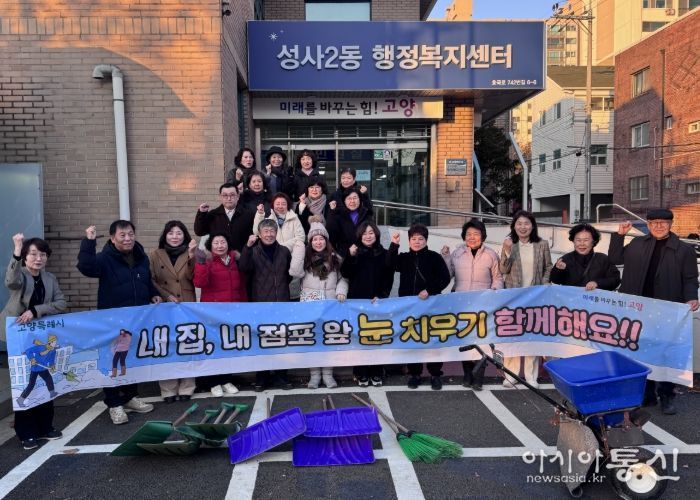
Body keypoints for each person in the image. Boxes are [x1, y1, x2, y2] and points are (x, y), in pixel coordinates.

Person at [608, 208, 699, 415]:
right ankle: (647, 393)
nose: (658, 226)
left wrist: (692, 296)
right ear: (648, 225)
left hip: (668, 309)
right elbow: (614, 258)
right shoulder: (637, 243)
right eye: (653, 222)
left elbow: (690, 278)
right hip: (637, 309)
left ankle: (667, 395)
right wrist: (619, 236)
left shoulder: (684, 250)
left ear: (671, 224)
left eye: (663, 222)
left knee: (666, 353)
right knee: (640, 351)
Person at [77, 221, 158, 425]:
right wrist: (89, 242)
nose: (128, 238)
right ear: (113, 238)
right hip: (111, 321)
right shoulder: (104, 258)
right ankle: (114, 403)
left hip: (137, 319)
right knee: (112, 361)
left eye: (130, 234)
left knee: (132, 359)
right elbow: (85, 267)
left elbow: (146, 281)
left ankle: (130, 396)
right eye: (122, 235)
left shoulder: (141, 257)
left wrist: (154, 294)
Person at [1, 234, 66, 450]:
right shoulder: (20, 274)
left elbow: (61, 303)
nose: (38, 258)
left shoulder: (50, 278)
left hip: (41, 336)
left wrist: (36, 310)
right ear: (25, 257)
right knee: (24, 382)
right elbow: (11, 281)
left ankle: (46, 427)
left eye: (43, 254)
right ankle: (26, 432)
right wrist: (17, 249)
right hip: (18, 336)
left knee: (46, 381)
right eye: (33, 254)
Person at [441, 220, 504, 390]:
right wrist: (446, 257)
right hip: (461, 304)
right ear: (464, 236)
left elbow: (498, 277)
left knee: (481, 340)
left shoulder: (491, 254)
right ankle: (467, 374)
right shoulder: (457, 253)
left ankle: (478, 377)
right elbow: (447, 274)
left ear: (482, 236)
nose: (472, 237)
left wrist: (495, 291)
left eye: (476, 234)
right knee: (464, 339)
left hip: (483, 305)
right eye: (468, 234)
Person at [387, 224, 451, 390]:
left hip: (431, 306)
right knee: (412, 339)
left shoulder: (434, 257)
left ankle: (435, 374)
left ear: (426, 240)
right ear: (409, 241)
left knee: (432, 339)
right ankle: (415, 374)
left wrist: (430, 290)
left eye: (420, 239)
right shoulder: (404, 258)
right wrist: (394, 245)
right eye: (413, 238)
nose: (417, 241)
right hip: (409, 307)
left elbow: (445, 278)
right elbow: (389, 265)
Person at [290, 217, 348, 389]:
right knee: (313, 340)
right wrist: (299, 249)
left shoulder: (335, 259)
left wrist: (341, 291)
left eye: (321, 238)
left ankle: (328, 375)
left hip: (330, 305)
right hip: (310, 306)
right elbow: (294, 272)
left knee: (328, 340)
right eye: (314, 239)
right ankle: (314, 375)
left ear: (326, 240)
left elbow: (343, 279)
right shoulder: (305, 260)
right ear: (310, 242)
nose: (318, 242)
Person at [238, 219, 295, 391]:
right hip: (260, 303)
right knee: (262, 341)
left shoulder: (284, 251)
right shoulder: (253, 251)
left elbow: (288, 275)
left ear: (276, 233)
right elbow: (243, 268)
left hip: (281, 302)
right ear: (260, 234)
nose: (269, 234)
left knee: (282, 340)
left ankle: (281, 376)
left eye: (272, 231)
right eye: (266, 231)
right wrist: (247, 247)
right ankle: (262, 377)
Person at [499, 211, 552, 389]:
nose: (523, 227)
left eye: (526, 223)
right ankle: (510, 375)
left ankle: (531, 376)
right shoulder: (509, 244)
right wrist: (507, 252)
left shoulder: (542, 244)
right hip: (513, 298)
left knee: (532, 336)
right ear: (514, 226)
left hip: (535, 297)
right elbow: (503, 270)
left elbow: (548, 267)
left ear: (532, 226)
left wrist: (543, 284)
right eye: (519, 223)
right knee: (512, 336)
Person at [149, 220, 198, 403]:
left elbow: (196, 277)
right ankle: (168, 388)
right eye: (171, 233)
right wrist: (165, 295)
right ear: (165, 235)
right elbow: (150, 279)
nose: (175, 237)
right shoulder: (155, 254)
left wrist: (192, 256)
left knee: (187, 344)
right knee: (166, 345)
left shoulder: (191, 253)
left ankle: (187, 386)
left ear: (185, 235)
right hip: (164, 305)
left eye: (179, 233)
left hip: (186, 303)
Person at [193, 232, 247, 397]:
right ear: (210, 246)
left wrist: (242, 307)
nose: (220, 246)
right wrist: (201, 263)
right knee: (214, 347)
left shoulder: (234, 260)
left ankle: (226, 379)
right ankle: (213, 382)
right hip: (213, 312)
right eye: (216, 243)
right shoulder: (207, 261)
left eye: (222, 242)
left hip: (232, 311)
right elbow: (199, 282)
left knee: (228, 346)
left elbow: (241, 286)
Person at [341, 221, 394, 387]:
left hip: (377, 302)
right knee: (359, 337)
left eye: (371, 233)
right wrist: (350, 256)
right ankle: (361, 372)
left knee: (377, 337)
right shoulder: (354, 251)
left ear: (376, 234)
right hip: (357, 302)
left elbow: (389, 277)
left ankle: (377, 371)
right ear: (359, 236)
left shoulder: (383, 253)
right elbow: (345, 273)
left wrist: (382, 295)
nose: (368, 236)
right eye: (364, 233)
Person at [549, 223, 620, 291]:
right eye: (578, 240)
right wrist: (558, 270)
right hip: (572, 299)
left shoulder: (602, 259)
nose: (582, 244)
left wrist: (597, 283)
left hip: (595, 299)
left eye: (586, 240)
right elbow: (555, 280)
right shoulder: (566, 259)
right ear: (573, 241)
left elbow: (615, 279)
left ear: (593, 241)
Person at [194, 182, 255, 253]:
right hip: (218, 256)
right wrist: (202, 214)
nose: (229, 198)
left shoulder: (249, 215)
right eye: (225, 195)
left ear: (238, 196)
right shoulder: (213, 214)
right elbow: (199, 232)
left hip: (242, 256)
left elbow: (255, 236)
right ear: (220, 197)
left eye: (232, 195)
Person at [327, 188, 373, 258]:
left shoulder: (366, 214)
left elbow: (373, 235)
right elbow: (331, 235)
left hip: (365, 255)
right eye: (349, 198)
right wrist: (332, 212)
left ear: (360, 200)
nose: (352, 201)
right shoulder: (339, 215)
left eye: (355, 198)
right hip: (344, 256)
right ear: (344, 201)